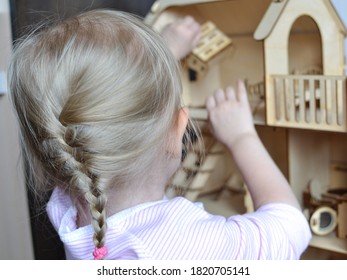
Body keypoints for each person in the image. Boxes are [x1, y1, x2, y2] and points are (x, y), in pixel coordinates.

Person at [8, 9, 311, 260]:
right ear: (180, 127)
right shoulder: (194, 246)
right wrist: (243, 137)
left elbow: (92, 109)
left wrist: (164, 50)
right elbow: (291, 226)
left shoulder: (66, 209)